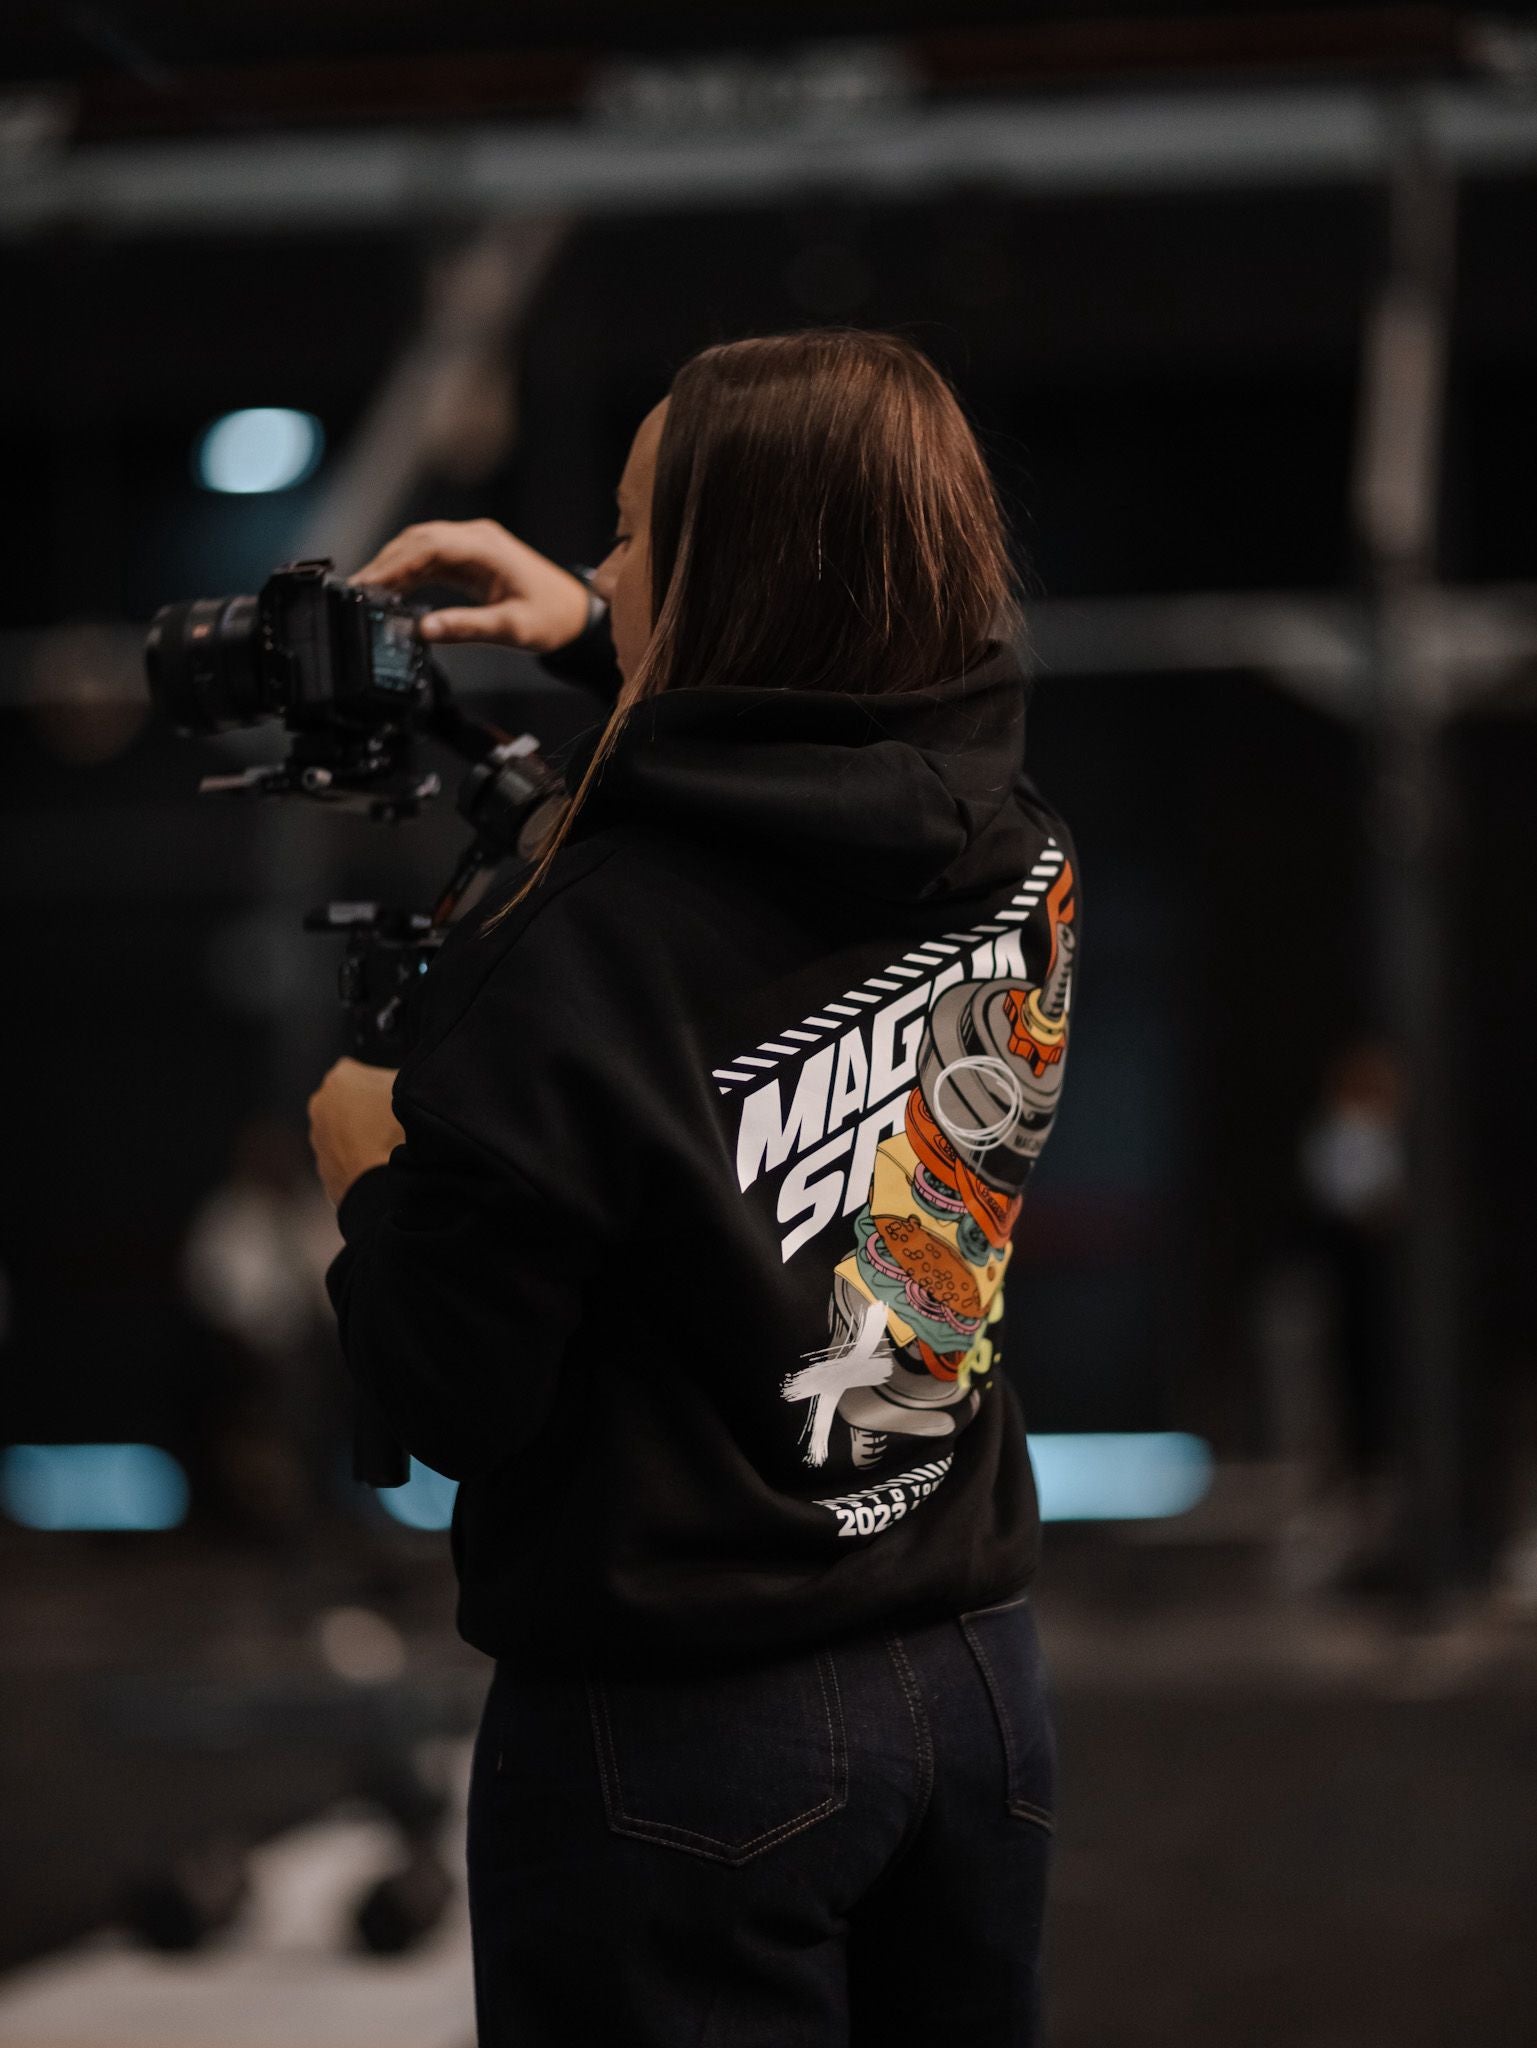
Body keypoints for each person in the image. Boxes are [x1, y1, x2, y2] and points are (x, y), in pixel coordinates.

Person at [308, 330, 1078, 2047]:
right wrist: (604, 640)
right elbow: (814, 771)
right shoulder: (1018, 844)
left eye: (632, 536)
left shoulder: (583, 944)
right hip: (975, 1693)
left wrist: (369, 1176)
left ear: (732, 579)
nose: (599, 571)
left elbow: (451, 1394)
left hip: (683, 1741)